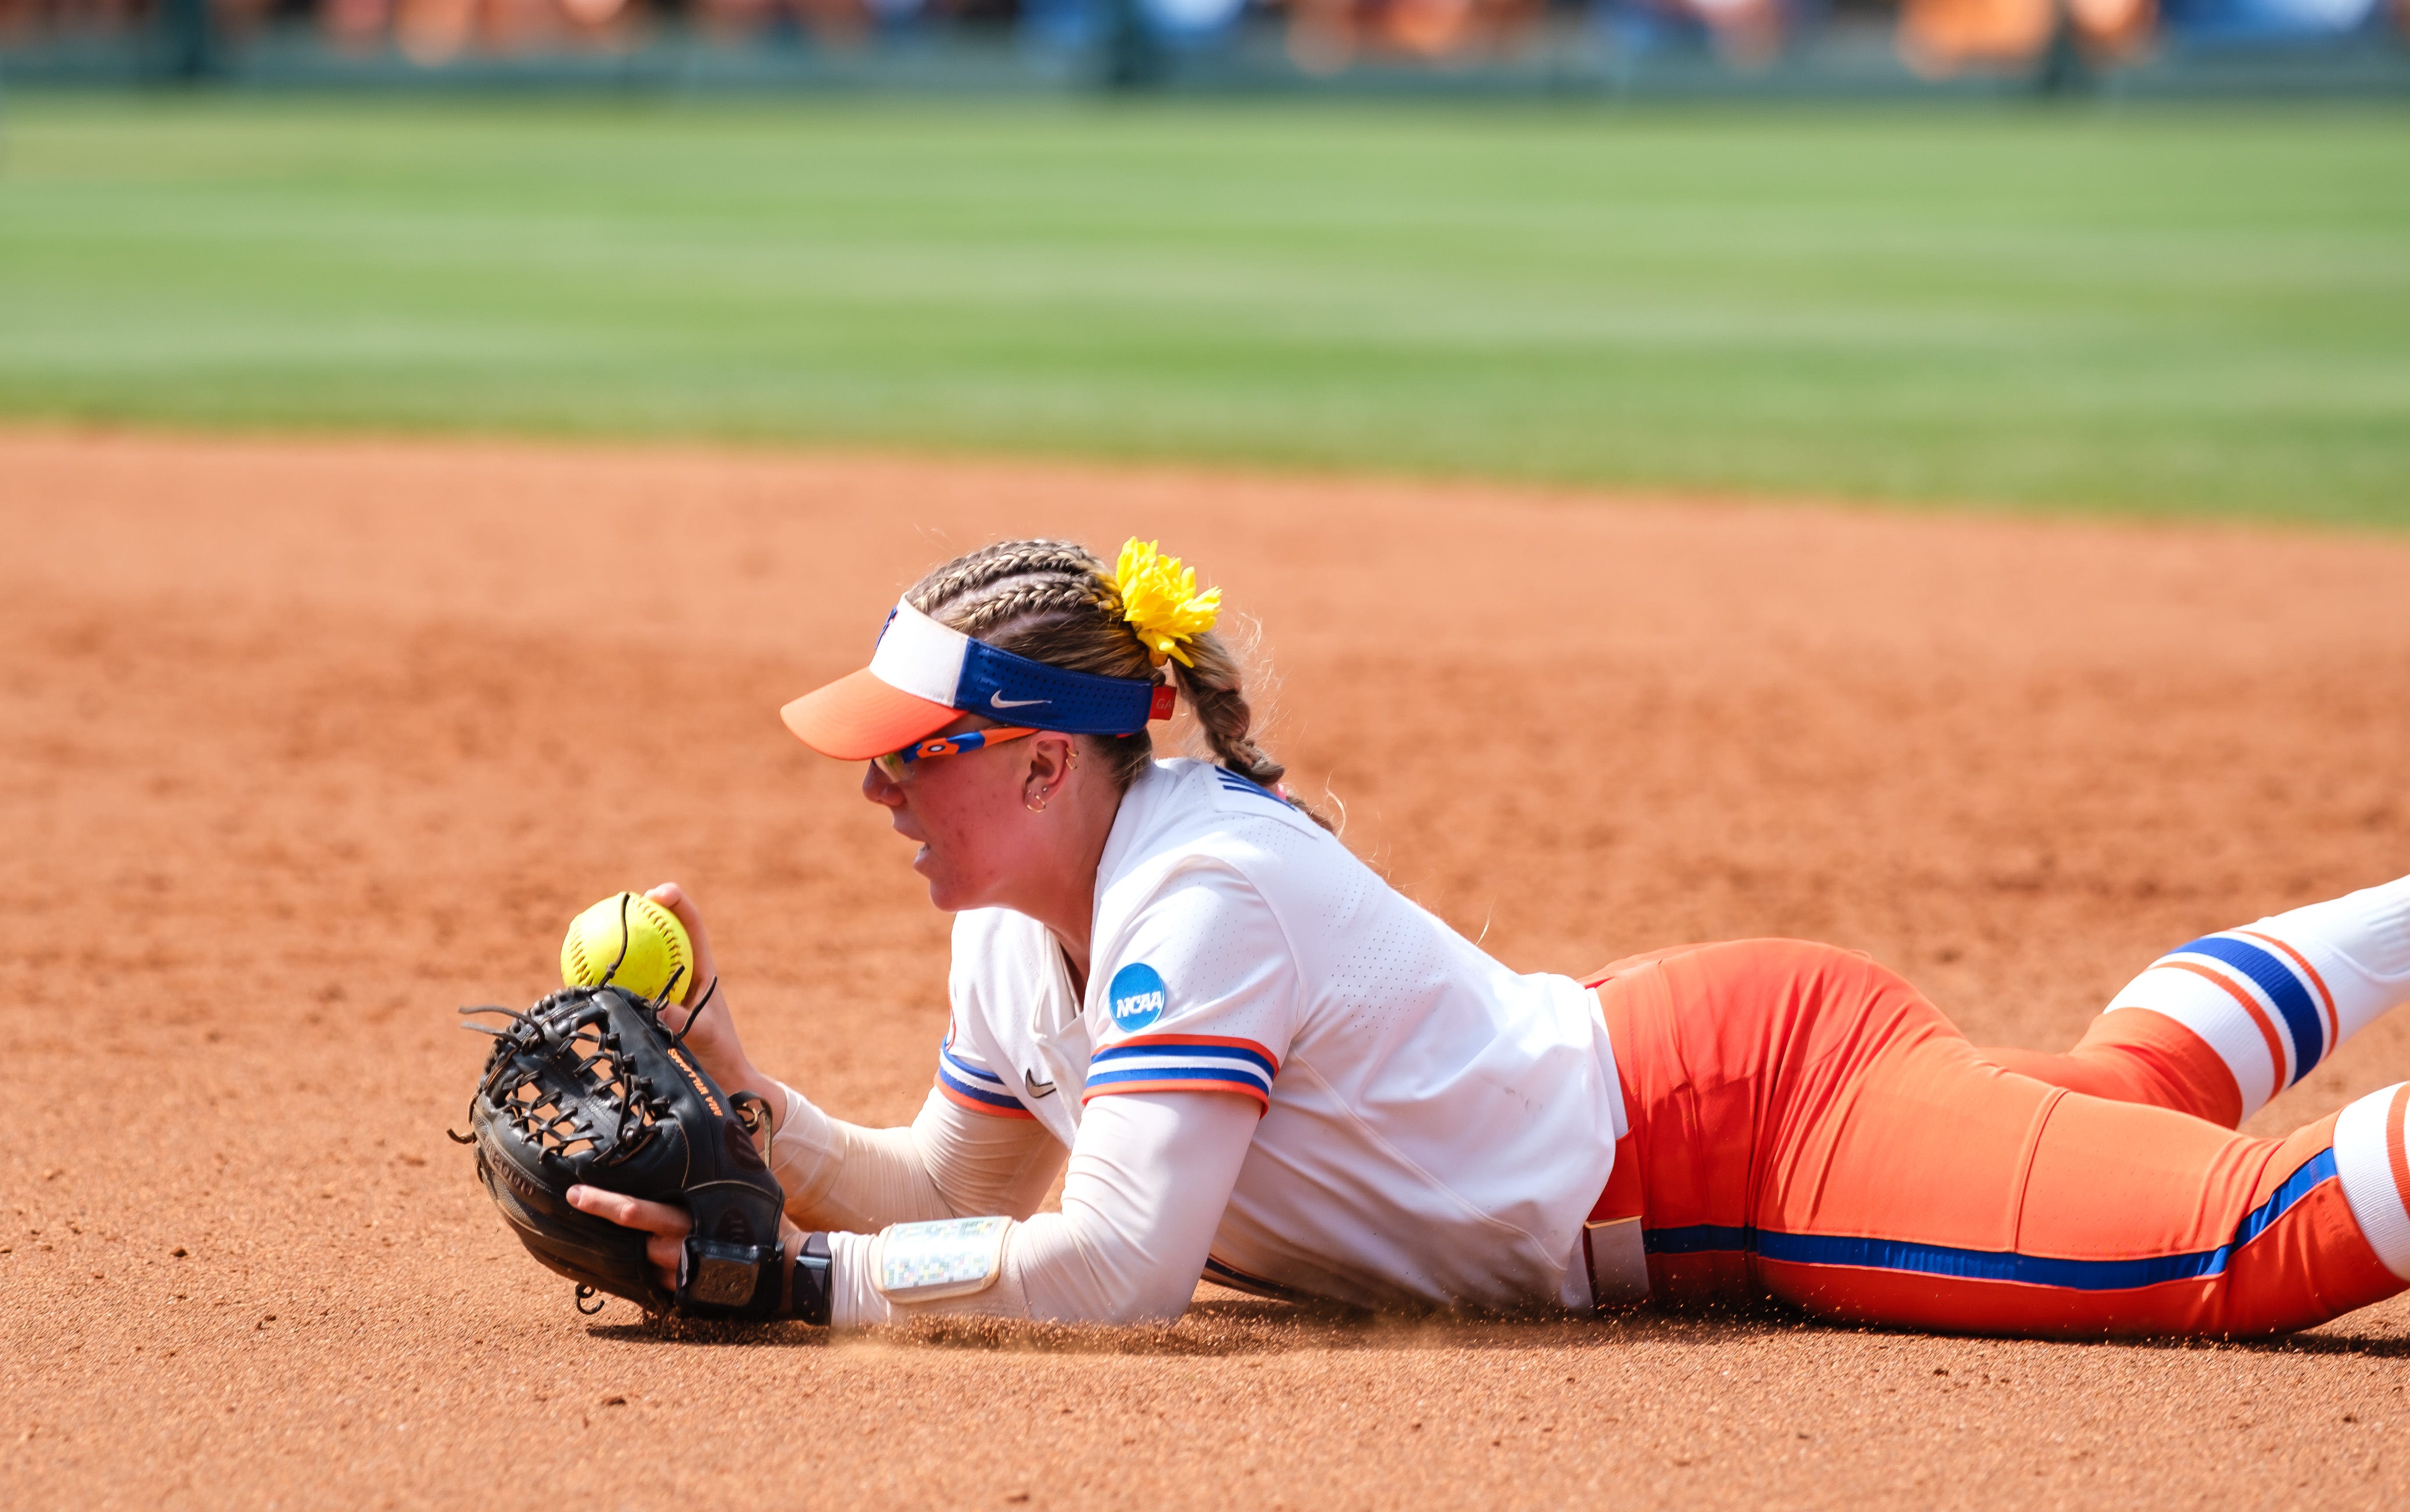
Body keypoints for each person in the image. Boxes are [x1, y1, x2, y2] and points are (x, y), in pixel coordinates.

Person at [570, 535, 2410, 1334]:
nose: (874, 790)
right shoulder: (1011, 925)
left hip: (1758, 1133)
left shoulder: (1201, 899)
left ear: (1044, 761)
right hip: (1686, 1096)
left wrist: (800, 1292)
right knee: (2106, 1103)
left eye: (914, 755)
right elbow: (955, 1182)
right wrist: (754, 1115)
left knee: (2241, 1248)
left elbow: (1120, 1265)